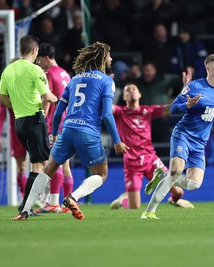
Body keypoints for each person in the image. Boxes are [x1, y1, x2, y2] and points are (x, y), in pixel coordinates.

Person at [13, 41, 129, 221]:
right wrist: (117, 140)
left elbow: (58, 109)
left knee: (47, 171)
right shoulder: (107, 81)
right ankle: (73, 197)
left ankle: (25, 211)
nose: (111, 58)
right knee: (101, 174)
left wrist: (53, 134)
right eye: (109, 55)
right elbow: (106, 114)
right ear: (101, 58)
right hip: (87, 132)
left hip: (66, 130)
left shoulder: (75, 79)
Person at [141, 54, 214, 219]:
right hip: (183, 134)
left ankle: (162, 174)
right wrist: (187, 105)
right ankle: (149, 212)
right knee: (175, 172)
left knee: (194, 184)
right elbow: (173, 109)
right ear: (208, 68)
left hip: (200, 142)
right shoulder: (194, 86)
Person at [110, 78, 194, 210]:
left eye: (134, 89)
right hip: (132, 164)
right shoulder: (120, 112)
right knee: (134, 207)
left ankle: (174, 200)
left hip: (151, 160)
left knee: (179, 192)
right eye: (128, 90)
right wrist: (106, 89)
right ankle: (123, 200)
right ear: (124, 96)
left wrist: (184, 92)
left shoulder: (147, 111)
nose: (131, 90)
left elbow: (169, 108)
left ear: (139, 94)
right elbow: (105, 108)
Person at [0, 35, 58, 215]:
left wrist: (16, 106)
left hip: (19, 123)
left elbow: (1, 98)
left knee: (38, 164)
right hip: (34, 120)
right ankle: (26, 207)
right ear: (34, 50)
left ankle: (29, 205)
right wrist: (62, 99)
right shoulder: (35, 70)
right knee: (40, 166)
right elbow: (47, 96)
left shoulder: (8, 70)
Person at [34, 43, 73, 213]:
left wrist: (41, 119)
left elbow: (47, 98)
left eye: (40, 60)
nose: (39, 63)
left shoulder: (49, 73)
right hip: (70, 122)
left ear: (47, 58)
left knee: (54, 162)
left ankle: (54, 202)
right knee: (66, 165)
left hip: (56, 124)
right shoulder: (65, 73)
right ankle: (69, 202)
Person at [0, 104, 27, 198]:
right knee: (21, 166)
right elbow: (1, 110)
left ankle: (39, 196)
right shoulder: (7, 89)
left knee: (39, 163)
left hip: (34, 127)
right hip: (16, 131)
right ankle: (24, 194)